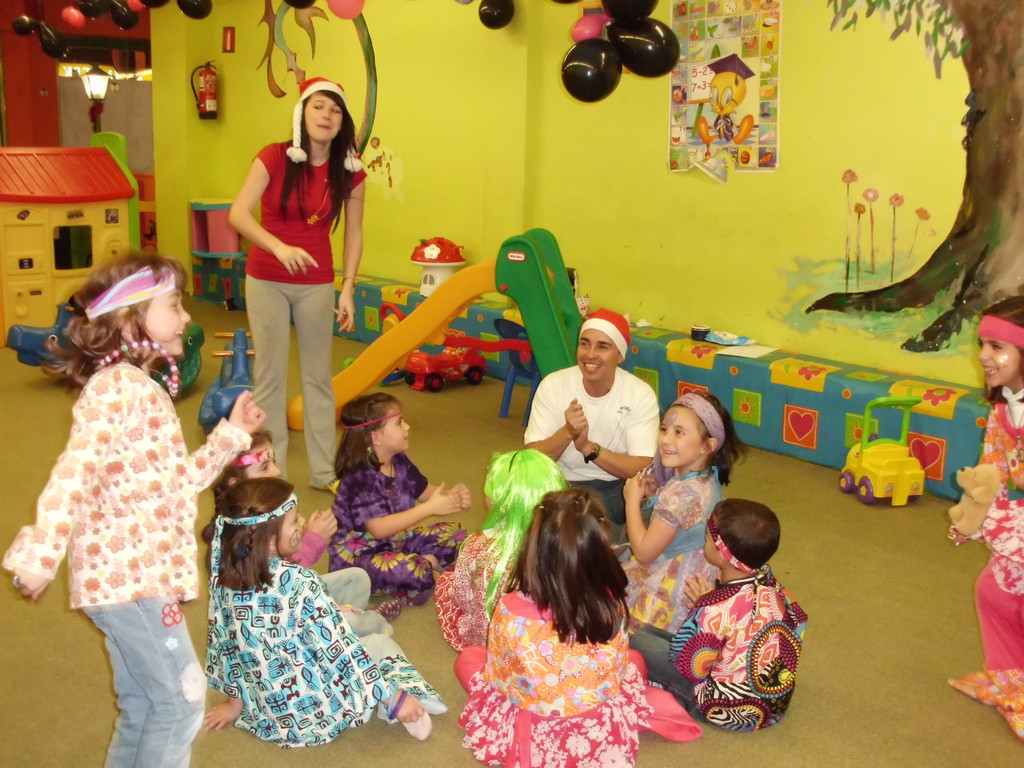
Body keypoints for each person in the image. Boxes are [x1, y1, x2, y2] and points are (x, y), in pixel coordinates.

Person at [2, 253, 266, 767]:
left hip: (135, 577)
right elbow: (74, 470)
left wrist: (232, 434)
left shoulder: (139, 389)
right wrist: (40, 551)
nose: (187, 317)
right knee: (182, 702)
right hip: (131, 581)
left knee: (145, 704)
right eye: (175, 304)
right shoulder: (117, 388)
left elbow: (174, 485)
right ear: (130, 320)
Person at [455, 489, 700, 766]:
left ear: (534, 548)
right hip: (596, 724)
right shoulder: (611, 603)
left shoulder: (510, 608)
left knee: (469, 658)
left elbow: (500, 677)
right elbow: (617, 667)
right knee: (635, 660)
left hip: (533, 725)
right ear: (599, 550)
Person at [203, 477, 444, 746]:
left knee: (353, 581)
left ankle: (360, 621)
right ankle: (405, 699)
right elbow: (340, 651)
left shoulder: (223, 576)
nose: (303, 522)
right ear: (270, 541)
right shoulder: (300, 582)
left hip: (268, 711)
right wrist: (394, 699)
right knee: (379, 643)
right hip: (320, 713)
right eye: (295, 520)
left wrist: (235, 704)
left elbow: (225, 645)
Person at [229, 77, 366, 492]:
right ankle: (274, 473)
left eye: (335, 109)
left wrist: (348, 288)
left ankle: (324, 473)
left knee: (318, 380)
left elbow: (354, 234)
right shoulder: (273, 157)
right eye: (318, 106)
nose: (326, 115)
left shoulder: (351, 173)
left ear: (343, 121)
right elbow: (237, 213)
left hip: (317, 283)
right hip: (266, 278)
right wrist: (279, 247)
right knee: (269, 377)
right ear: (302, 113)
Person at [630, 499, 807, 732]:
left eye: (707, 540)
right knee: (653, 634)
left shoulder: (713, 608)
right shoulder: (773, 585)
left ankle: (682, 700)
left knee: (640, 641)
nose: (705, 542)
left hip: (727, 709)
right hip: (773, 700)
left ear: (722, 555)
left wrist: (701, 608)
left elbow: (690, 668)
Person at [208, 428, 401, 636]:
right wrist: (311, 540)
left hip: (293, 602)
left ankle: (349, 626)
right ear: (234, 483)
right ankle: (369, 625)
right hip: (283, 632)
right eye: (265, 466)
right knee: (361, 625)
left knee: (356, 578)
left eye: (274, 461)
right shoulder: (235, 541)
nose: (275, 471)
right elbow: (284, 591)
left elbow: (287, 563)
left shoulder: (260, 517)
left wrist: (304, 534)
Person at [948, 297, 1024, 741]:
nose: (983, 356)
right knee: (994, 591)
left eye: (997, 347)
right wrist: (974, 516)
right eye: (982, 344)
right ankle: (1011, 680)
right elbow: (992, 470)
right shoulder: (1003, 406)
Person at [524, 308, 660, 530]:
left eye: (603, 346)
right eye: (584, 343)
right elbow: (531, 460)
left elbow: (643, 467)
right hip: (557, 483)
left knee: (582, 526)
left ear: (620, 355)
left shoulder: (639, 394)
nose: (589, 354)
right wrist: (567, 432)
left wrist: (589, 448)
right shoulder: (553, 385)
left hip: (614, 487)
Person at [329, 393, 469, 604]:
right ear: (376, 437)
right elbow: (379, 529)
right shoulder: (359, 477)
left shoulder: (400, 461)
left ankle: (425, 570)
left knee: (457, 534)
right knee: (411, 569)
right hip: (361, 559)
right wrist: (430, 508)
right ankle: (423, 572)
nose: (407, 427)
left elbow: (427, 492)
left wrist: (452, 497)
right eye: (399, 422)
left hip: (396, 543)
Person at [622, 392, 743, 632]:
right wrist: (654, 495)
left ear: (708, 445)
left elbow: (644, 552)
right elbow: (684, 517)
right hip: (696, 570)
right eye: (665, 429)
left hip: (671, 585)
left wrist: (631, 501)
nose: (666, 440)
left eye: (679, 432)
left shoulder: (682, 494)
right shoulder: (706, 478)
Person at [434, 449, 566, 651]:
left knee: (446, 583)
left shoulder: (478, 545)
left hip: (492, 641)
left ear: (498, 502)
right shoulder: (568, 546)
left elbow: (463, 599)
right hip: (546, 642)